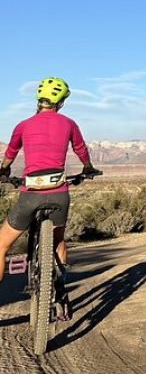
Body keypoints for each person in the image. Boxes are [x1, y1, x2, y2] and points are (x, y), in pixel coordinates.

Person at [0, 77, 99, 289]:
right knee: (58, 241)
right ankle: (61, 291)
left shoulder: (23, 125)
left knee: (1, 245)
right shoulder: (69, 124)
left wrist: (4, 170)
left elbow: (11, 152)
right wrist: (88, 167)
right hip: (59, 194)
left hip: (31, 194)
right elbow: (80, 149)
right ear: (61, 102)